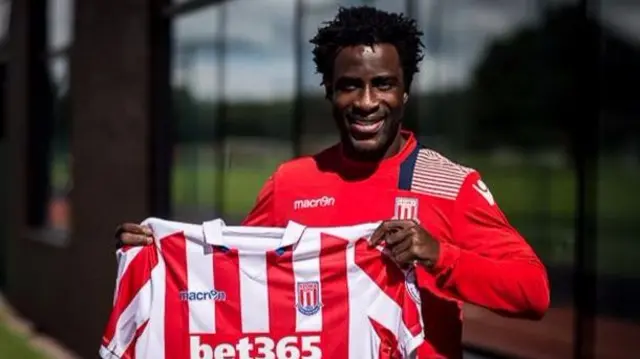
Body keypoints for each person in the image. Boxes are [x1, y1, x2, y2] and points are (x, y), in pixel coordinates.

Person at [115, 6, 549, 359]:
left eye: (383, 85)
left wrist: (439, 254)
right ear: (329, 92)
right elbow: (236, 279)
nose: (366, 102)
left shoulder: (447, 184)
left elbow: (532, 293)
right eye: (349, 87)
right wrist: (157, 258)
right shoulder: (291, 183)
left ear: (405, 93)